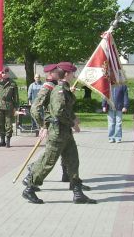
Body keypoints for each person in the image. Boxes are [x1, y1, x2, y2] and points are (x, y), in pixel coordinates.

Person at [22, 62, 96, 205]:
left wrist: (73, 119)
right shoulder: (59, 90)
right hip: (57, 132)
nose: (74, 75)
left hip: (65, 132)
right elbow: (59, 112)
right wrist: (72, 122)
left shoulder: (65, 89)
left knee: (73, 161)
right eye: (73, 73)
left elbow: (65, 109)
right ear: (67, 74)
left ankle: (77, 192)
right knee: (48, 162)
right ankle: (30, 188)